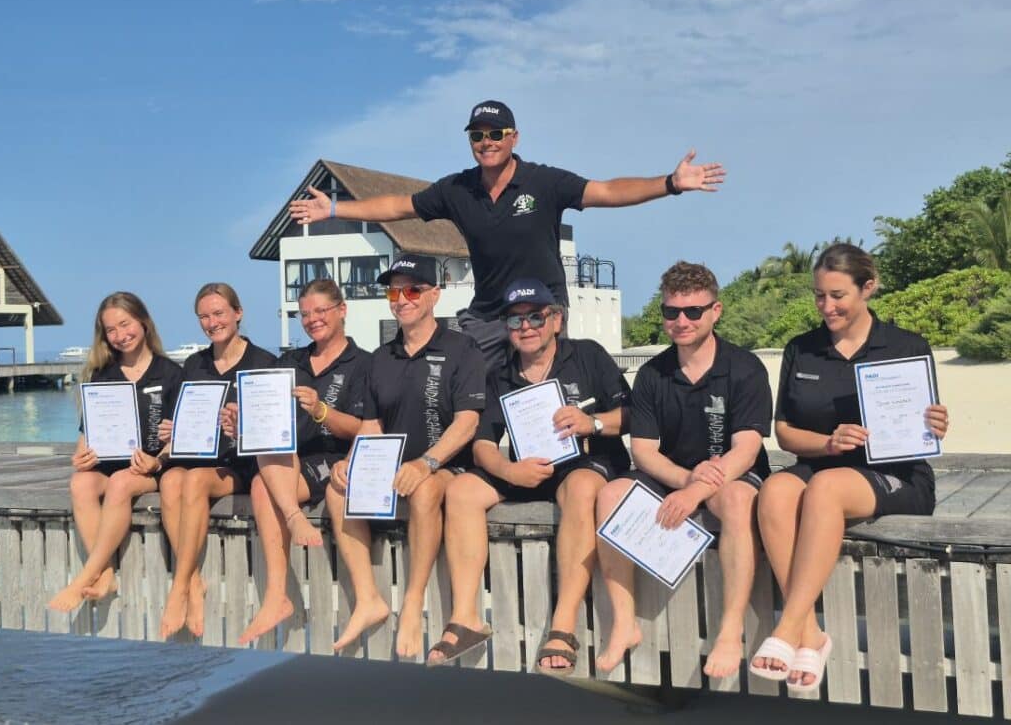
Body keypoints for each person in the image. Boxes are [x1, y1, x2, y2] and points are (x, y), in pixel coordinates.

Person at [289, 100, 726, 370]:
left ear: (513, 137)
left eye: (496, 134)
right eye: (478, 135)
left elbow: (608, 191)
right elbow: (398, 205)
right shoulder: (457, 189)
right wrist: (333, 208)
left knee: (547, 396)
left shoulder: (545, 182)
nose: (487, 142)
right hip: (487, 316)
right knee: (475, 396)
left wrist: (670, 183)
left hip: (543, 310)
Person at [749, 243, 950, 691]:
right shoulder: (801, 348)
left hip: (897, 477)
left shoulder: (906, 346)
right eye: (819, 295)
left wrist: (935, 423)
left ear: (868, 288)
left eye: (837, 295)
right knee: (777, 491)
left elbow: (924, 426)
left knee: (826, 490)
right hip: (821, 463)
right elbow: (785, 433)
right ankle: (811, 634)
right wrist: (827, 441)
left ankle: (787, 628)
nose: (827, 306)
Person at [426, 279, 630, 674]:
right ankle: (466, 617)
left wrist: (593, 422)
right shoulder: (498, 373)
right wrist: (507, 470)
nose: (525, 327)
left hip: (588, 463)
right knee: (464, 490)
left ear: (556, 320)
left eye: (536, 316)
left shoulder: (588, 356)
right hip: (527, 470)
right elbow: (484, 442)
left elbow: (632, 416)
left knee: (582, 487)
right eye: (515, 319)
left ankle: (563, 623)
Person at [593, 261, 773, 678]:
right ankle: (624, 622)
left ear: (716, 311)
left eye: (694, 311)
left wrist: (697, 492)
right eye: (671, 312)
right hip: (674, 473)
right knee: (609, 496)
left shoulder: (745, 368)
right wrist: (685, 482)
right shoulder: (653, 374)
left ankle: (729, 632)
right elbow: (644, 451)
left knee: (736, 499)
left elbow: (747, 449)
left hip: (730, 474)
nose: (681, 321)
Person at [328, 254, 486, 657]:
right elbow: (371, 424)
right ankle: (369, 598)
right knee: (334, 489)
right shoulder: (380, 358)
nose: (401, 299)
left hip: (448, 468)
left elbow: (467, 423)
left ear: (435, 294)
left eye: (412, 289)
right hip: (392, 470)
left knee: (426, 489)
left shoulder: (462, 347)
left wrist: (426, 462)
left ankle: (412, 602)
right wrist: (352, 462)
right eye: (393, 291)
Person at [237, 278, 371, 645]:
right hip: (287, 461)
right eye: (305, 314)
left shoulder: (364, 363)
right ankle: (277, 595)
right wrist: (239, 421)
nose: (312, 320)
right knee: (261, 479)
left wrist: (321, 410)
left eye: (320, 311)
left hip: (335, 459)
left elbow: (363, 428)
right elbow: (268, 416)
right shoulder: (290, 362)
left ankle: (279, 587)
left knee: (264, 483)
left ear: (342, 310)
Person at [48, 292, 183, 612]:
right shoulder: (102, 374)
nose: (121, 335)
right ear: (104, 335)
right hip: (109, 465)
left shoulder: (171, 373)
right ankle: (105, 572)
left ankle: (84, 577)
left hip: (152, 468)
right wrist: (80, 457)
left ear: (143, 322)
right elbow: (86, 435)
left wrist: (158, 459)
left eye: (125, 324)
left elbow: (181, 436)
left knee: (123, 481)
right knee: (80, 483)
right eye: (111, 330)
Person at [157, 283, 277, 639]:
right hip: (196, 458)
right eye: (204, 317)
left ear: (238, 313)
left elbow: (274, 431)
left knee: (192, 480)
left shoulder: (264, 364)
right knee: (169, 480)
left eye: (219, 313)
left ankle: (179, 589)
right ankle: (193, 580)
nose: (212, 322)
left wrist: (243, 427)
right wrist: (170, 432)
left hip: (241, 465)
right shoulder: (195, 364)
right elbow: (179, 420)